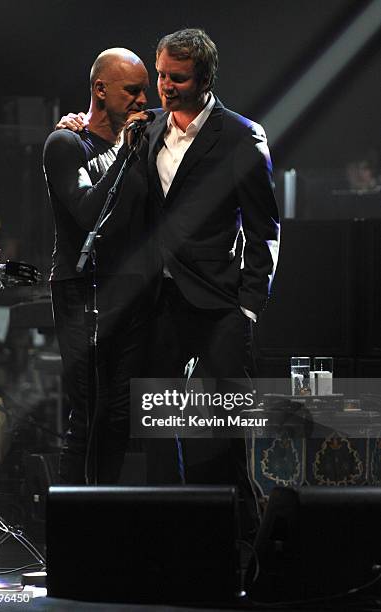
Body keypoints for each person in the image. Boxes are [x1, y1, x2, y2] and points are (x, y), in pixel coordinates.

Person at [56, 29, 280, 534]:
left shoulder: (242, 136)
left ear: (204, 79)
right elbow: (98, 156)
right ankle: (174, 539)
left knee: (222, 438)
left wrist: (248, 305)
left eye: (176, 78)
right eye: (160, 75)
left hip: (220, 304)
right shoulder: (147, 127)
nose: (164, 86)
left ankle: (245, 549)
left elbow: (267, 230)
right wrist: (76, 125)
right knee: (157, 434)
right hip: (157, 303)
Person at [43, 48, 159, 484]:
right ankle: (73, 528)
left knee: (119, 415)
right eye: (132, 90)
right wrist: (124, 153)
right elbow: (90, 212)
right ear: (100, 89)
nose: (141, 99)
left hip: (131, 290)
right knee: (87, 412)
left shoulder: (142, 143)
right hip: (80, 289)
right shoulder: (66, 143)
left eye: (144, 90)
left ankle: (106, 518)